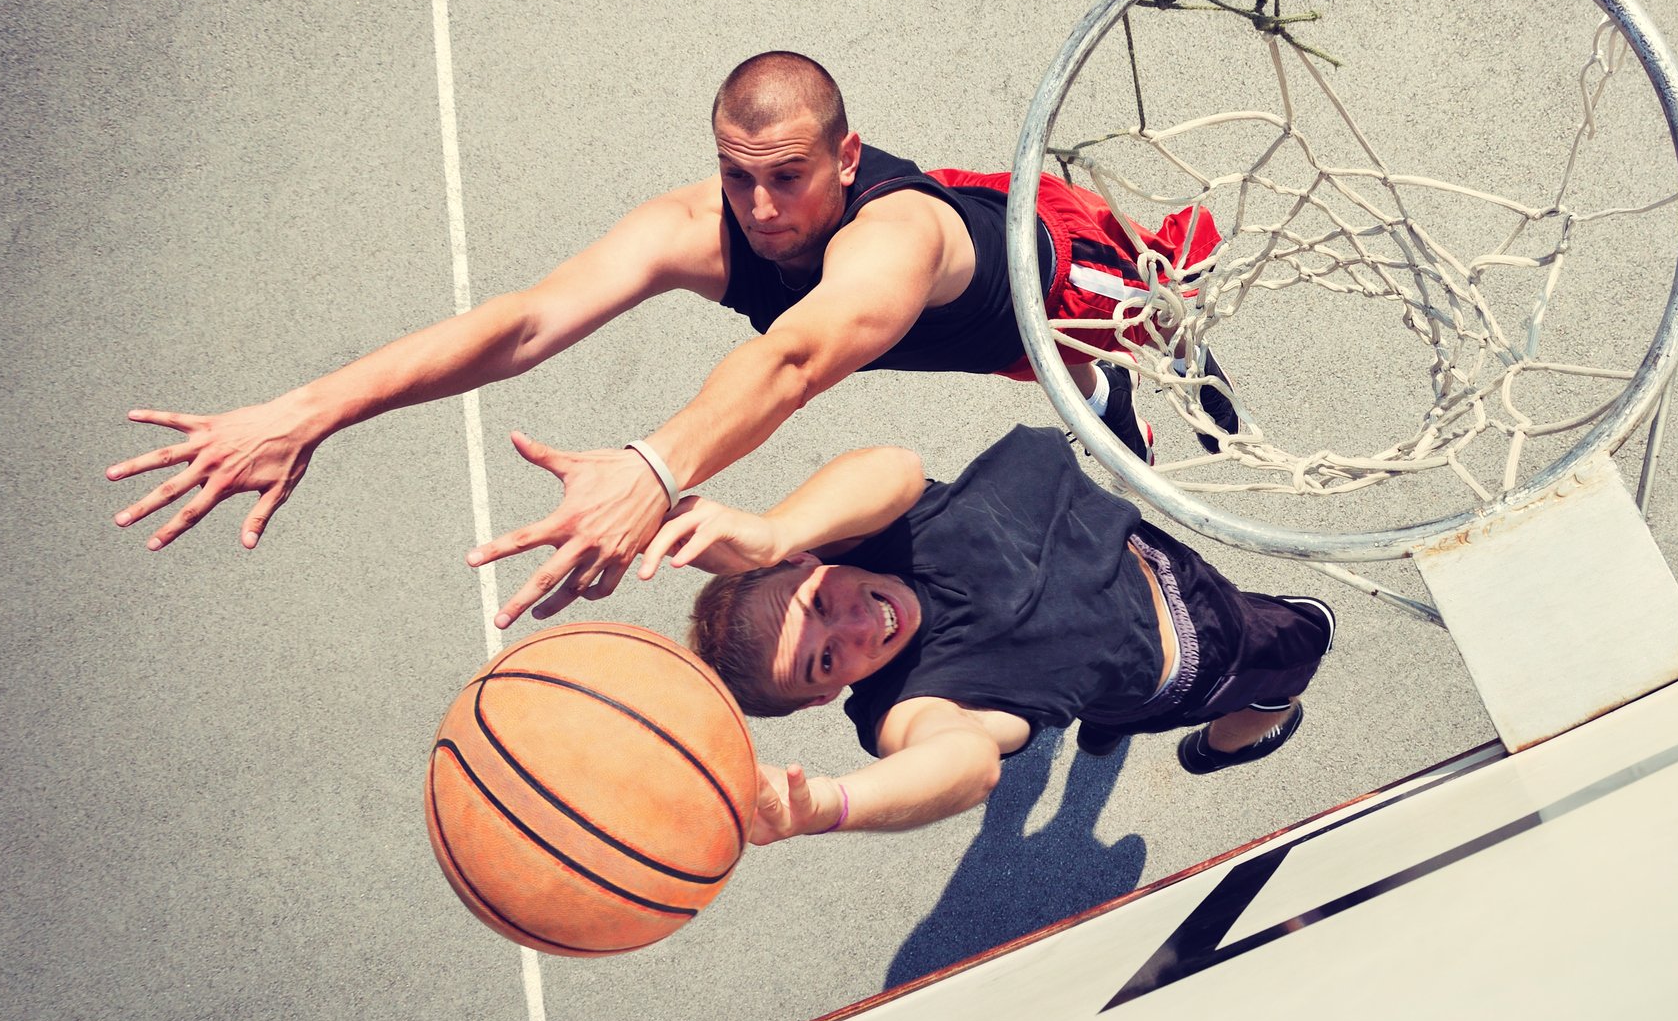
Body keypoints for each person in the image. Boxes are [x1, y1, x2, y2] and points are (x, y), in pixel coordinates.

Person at [106, 51, 1236, 629]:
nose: (758, 206)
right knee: (1052, 375)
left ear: (846, 159)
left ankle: (1147, 360)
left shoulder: (897, 238)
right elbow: (523, 322)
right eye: (737, 175)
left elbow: (793, 359)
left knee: (1132, 325)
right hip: (981, 335)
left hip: (1059, 273)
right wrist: (311, 408)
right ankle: (1101, 383)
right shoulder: (700, 226)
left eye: (787, 177)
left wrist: (654, 467)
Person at [651, 425, 1335, 843]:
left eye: (820, 602)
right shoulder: (911, 705)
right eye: (824, 659)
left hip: (1149, 563)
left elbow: (893, 466)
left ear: (807, 555)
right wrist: (832, 802)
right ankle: (1222, 744)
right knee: (1306, 636)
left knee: (1091, 696)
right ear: (821, 697)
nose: (860, 624)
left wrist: (761, 529)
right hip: (1200, 650)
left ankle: (1102, 719)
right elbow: (964, 763)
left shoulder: (876, 529)